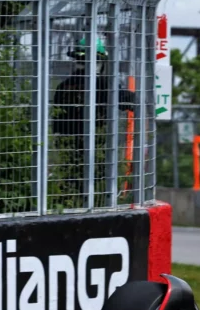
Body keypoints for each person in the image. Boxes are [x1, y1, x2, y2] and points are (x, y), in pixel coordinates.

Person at [51, 36, 136, 203]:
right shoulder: (102, 84)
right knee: (96, 190)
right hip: (96, 149)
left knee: (70, 183)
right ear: (99, 61)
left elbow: (57, 124)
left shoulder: (63, 87)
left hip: (68, 147)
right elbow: (128, 100)